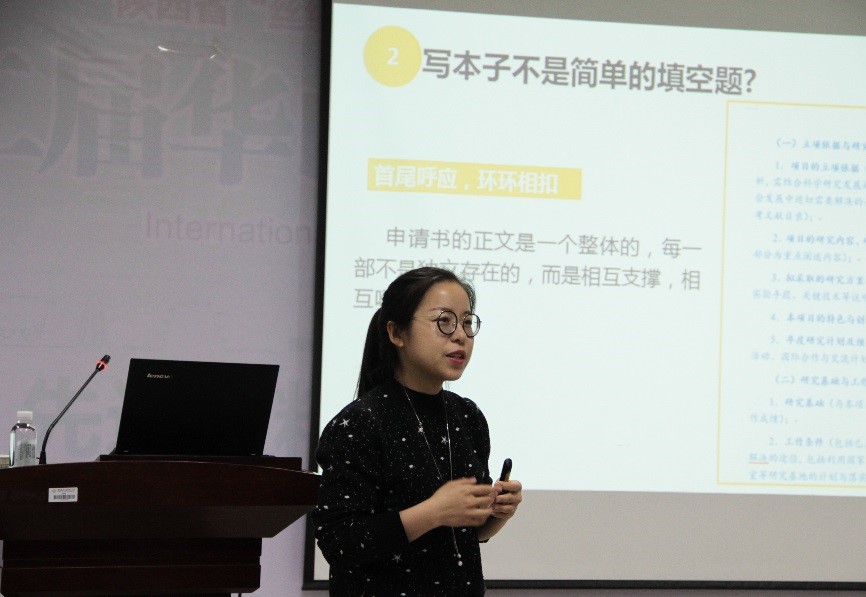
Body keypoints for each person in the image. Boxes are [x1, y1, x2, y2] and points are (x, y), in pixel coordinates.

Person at [313, 266, 522, 596]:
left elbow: (467, 534)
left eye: (467, 322)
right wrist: (435, 511)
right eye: (444, 321)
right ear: (397, 333)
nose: (460, 336)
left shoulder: (467, 416)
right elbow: (340, 542)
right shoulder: (360, 422)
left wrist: (496, 514)